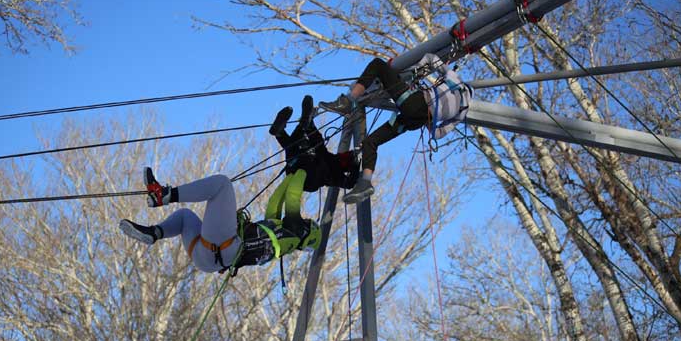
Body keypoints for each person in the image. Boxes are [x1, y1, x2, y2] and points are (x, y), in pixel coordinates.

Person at [319, 53, 473, 203]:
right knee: (370, 142)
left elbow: (430, 57)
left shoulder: (456, 80)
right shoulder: (462, 112)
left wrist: (417, 69)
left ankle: (348, 101)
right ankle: (365, 182)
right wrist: (428, 117)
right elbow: (437, 134)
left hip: (415, 104)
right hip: (415, 121)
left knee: (378, 65)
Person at [119, 167, 321, 274]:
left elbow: (293, 197)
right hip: (206, 259)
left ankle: (164, 194)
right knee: (184, 216)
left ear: (309, 232)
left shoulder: (295, 231)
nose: (308, 221)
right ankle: (154, 233)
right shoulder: (283, 236)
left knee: (222, 184)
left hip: (223, 247)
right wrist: (290, 173)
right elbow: (276, 202)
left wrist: (302, 171)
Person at [269, 94, 359, 193]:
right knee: (297, 149)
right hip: (299, 169)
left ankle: (300, 126)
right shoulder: (330, 161)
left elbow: (349, 183)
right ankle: (284, 132)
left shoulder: (335, 174)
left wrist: (356, 165)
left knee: (301, 149)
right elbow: (318, 144)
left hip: (309, 177)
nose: (343, 155)